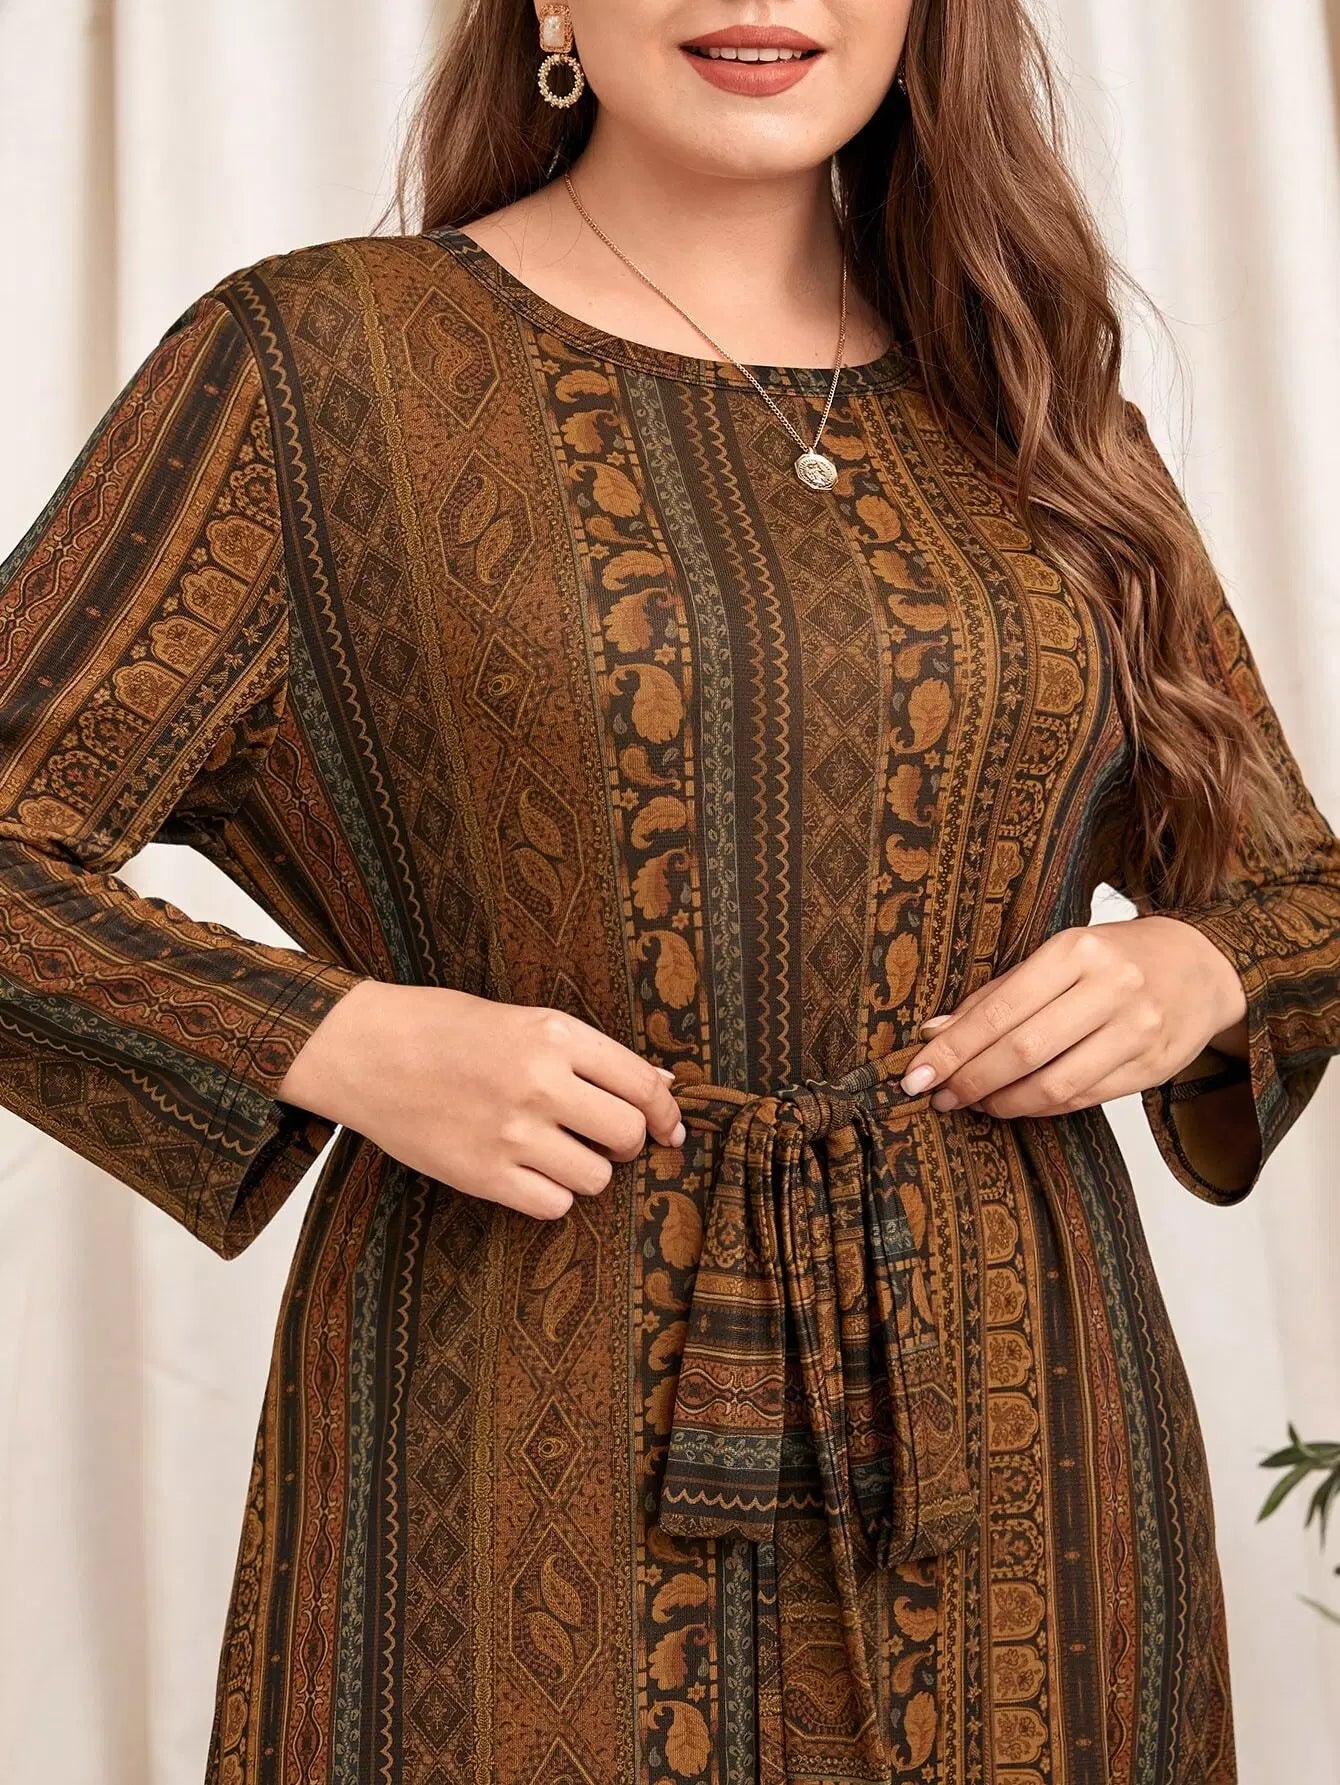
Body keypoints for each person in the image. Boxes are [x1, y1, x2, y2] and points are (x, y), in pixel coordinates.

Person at [1, 0, 1336, 1779]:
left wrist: (1194, 971)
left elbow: (1295, 890)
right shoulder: (322, 367)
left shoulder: (1032, 402)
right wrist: (338, 1040)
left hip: (1016, 1434)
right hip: (513, 1427)